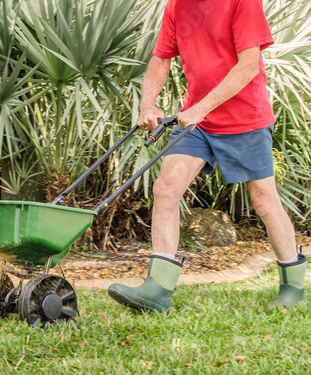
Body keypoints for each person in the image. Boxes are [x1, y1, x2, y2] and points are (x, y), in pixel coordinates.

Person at [108, 0, 307, 312]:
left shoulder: (242, 2)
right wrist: (148, 104)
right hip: (198, 122)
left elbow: (248, 66)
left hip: (245, 119)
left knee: (264, 202)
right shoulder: (177, 5)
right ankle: (157, 288)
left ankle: (293, 286)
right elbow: (160, 60)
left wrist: (202, 107)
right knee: (166, 188)